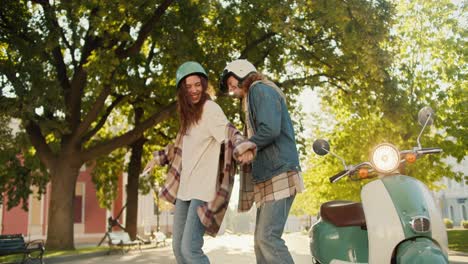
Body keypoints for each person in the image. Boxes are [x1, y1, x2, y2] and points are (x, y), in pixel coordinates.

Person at [142, 61, 254, 264]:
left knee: (190, 249)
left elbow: (230, 132)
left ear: (203, 85)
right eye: (188, 86)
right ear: (182, 91)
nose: (194, 90)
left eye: (197, 84)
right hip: (186, 189)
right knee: (178, 248)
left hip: (203, 189)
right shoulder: (188, 116)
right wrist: (156, 158)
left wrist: (244, 148)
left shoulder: (210, 109)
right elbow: (177, 148)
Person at [220, 59, 305, 264]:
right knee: (260, 242)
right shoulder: (253, 96)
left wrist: (247, 145)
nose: (232, 90)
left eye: (232, 84)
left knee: (267, 238)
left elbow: (270, 129)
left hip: (279, 171)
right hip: (270, 172)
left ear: (242, 74)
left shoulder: (259, 89)